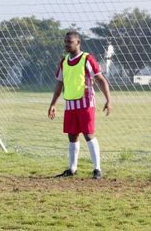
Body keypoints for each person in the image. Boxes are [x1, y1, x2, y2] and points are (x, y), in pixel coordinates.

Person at [48, 31, 112, 179]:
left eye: (69, 42)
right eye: (65, 42)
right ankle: (72, 169)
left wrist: (108, 99)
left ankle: (97, 169)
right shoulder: (64, 61)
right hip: (70, 103)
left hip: (86, 103)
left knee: (88, 134)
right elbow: (59, 83)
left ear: (78, 42)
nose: (66, 44)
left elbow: (100, 79)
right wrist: (53, 104)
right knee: (72, 135)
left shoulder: (87, 59)